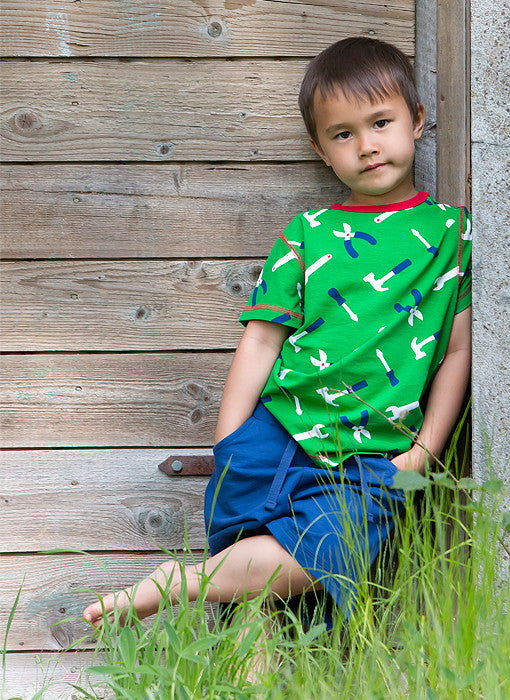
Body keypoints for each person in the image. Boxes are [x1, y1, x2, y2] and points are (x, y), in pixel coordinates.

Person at [82, 36, 471, 632]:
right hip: (275, 434)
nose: (366, 146)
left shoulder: (451, 235)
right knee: (255, 608)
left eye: (381, 123)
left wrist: (426, 451)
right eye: (343, 134)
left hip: (373, 454)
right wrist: (230, 439)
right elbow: (262, 341)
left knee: (329, 554)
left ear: (417, 121)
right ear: (320, 150)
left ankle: (180, 582)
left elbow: (455, 351)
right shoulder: (306, 233)